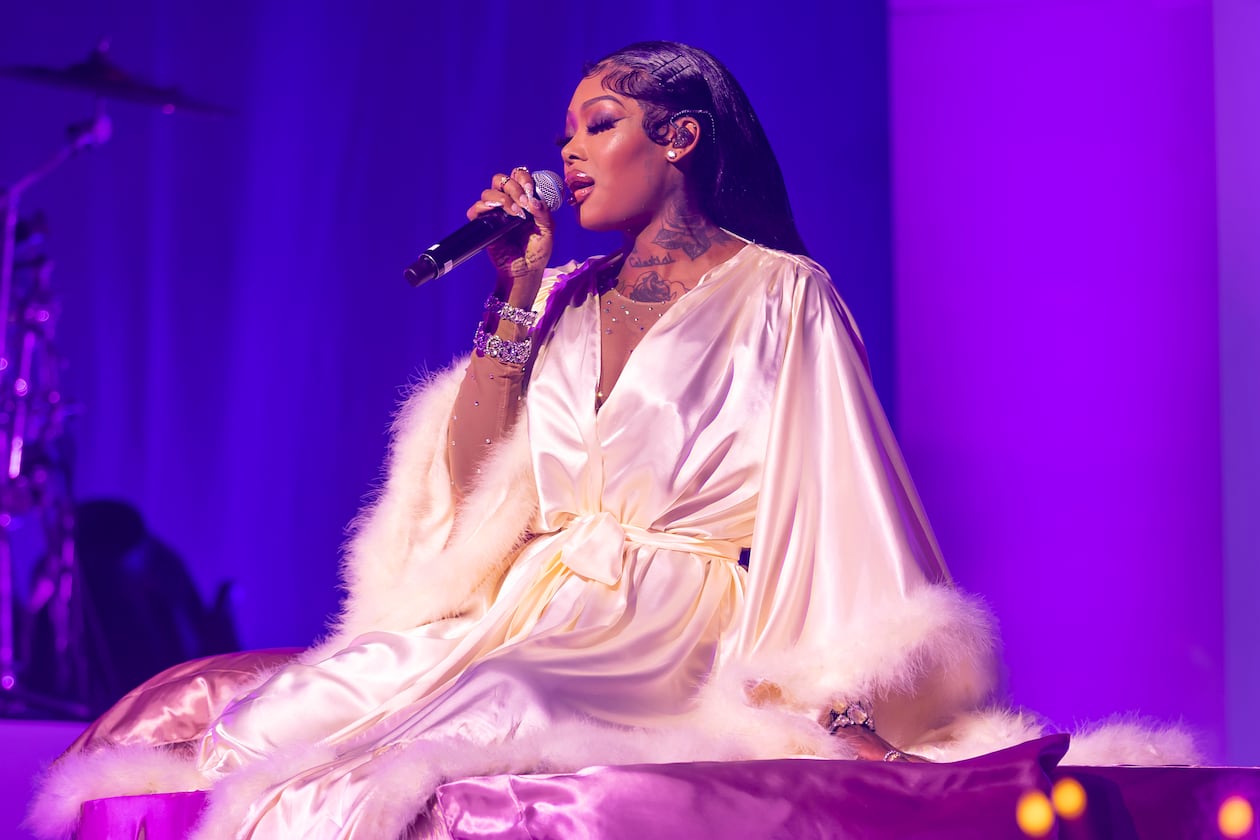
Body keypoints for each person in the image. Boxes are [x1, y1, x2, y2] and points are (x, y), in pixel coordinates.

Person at [27, 41, 1192, 840]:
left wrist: (837, 693)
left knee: (501, 711)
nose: (568, 154)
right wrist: (513, 297)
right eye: (566, 132)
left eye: (598, 124)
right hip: (523, 603)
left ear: (680, 136)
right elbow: (481, 486)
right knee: (286, 716)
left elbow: (840, 503)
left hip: (660, 620)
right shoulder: (567, 294)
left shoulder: (783, 293)